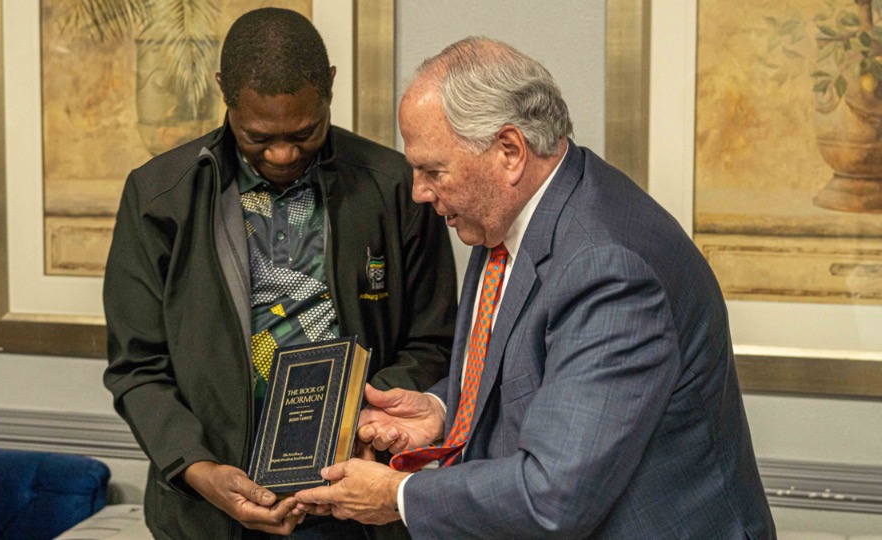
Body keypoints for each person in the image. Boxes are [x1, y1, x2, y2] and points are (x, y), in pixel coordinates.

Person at [294, 37, 777, 539]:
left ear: (509, 151)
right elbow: (536, 372)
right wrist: (443, 409)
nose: (418, 191)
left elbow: (554, 494)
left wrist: (397, 496)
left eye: (433, 170)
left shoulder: (609, 269)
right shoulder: (507, 214)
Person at [102, 8, 456, 539]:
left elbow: (434, 339)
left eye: (305, 132)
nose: (284, 153)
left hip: (358, 506)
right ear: (223, 93)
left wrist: (368, 418)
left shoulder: (395, 188)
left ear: (330, 85)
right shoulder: (160, 199)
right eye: (258, 137)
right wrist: (199, 470)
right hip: (211, 511)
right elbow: (137, 368)